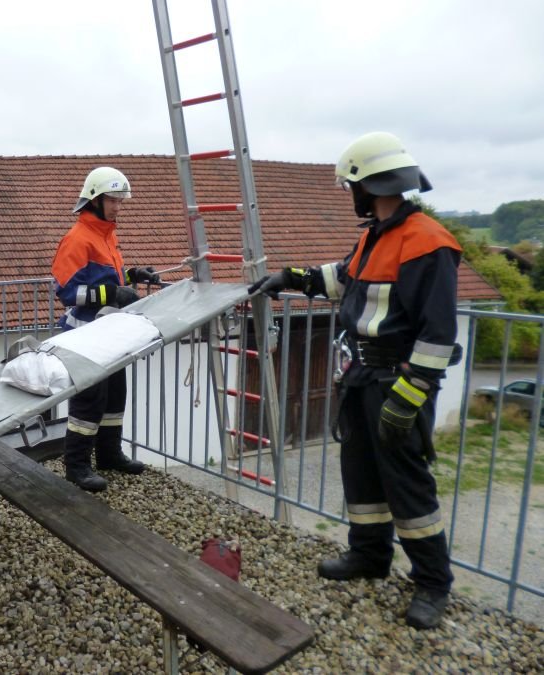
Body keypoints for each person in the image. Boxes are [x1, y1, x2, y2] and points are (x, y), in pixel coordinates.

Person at [248, 132, 462, 629]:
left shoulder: (429, 242)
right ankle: (369, 556)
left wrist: (408, 399)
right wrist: (291, 277)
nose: (350, 195)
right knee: (361, 474)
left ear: (371, 184)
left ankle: (433, 583)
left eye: (352, 186)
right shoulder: (376, 235)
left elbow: (437, 335)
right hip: (363, 376)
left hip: (398, 382)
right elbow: (343, 278)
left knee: (407, 485)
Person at [51, 167, 161, 492]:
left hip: (110, 333)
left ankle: (109, 454)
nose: (118, 207)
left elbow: (107, 278)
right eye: (113, 200)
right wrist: (111, 294)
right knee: (89, 402)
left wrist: (132, 275)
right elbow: (67, 293)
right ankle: (77, 466)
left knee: (115, 397)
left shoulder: (105, 234)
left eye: (120, 201)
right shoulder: (77, 239)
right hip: (86, 337)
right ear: (96, 200)